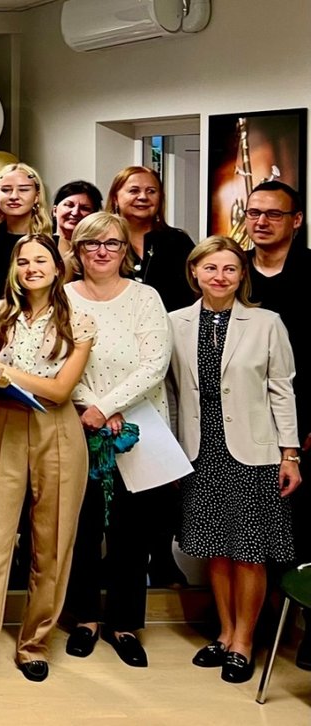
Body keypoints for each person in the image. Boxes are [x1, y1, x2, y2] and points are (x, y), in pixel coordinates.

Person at [0, 234, 96, 686]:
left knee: (52, 542)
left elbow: (61, 390)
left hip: (58, 428)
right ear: (14, 269)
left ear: (57, 267)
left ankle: (34, 644)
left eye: (41, 260)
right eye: (23, 261)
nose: (32, 268)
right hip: (4, 423)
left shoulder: (79, 320)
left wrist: (4, 370)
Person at [169, 236, 299, 685]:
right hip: (198, 452)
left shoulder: (266, 323)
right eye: (210, 268)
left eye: (229, 268)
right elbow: (170, 392)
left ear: (242, 274)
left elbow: (282, 389)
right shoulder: (174, 322)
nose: (220, 276)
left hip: (253, 454)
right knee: (216, 550)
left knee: (249, 552)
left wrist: (290, 453)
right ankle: (224, 634)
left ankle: (244, 640)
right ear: (194, 272)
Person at [56, 212, 174, 669]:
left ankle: (124, 624)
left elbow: (155, 364)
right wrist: (91, 408)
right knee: (82, 528)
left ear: (125, 250)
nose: (102, 251)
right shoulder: (63, 297)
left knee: (132, 533)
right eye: (91, 243)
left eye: (112, 243)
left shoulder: (146, 297)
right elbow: (58, 361)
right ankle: (84, 618)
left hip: (138, 427)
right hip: (77, 426)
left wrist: (107, 408)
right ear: (78, 250)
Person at [241, 180, 311, 669]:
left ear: (296, 220)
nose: (261, 222)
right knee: (257, 527)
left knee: (304, 528)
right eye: (253, 213)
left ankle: (307, 628)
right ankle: (258, 625)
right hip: (245, 421)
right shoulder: (235, 270)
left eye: (273, 214)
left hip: (305, 418)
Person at [107, 166, 196, 312]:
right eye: (134, 191)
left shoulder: (178, 241)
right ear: (115, 198)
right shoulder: (100, 241)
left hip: (172, 324)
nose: (143, 197)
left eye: (151, 191)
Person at [0, 162, 51, 305]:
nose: (14, 196)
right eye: (5, 190)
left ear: (37, 196)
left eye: (23, 190)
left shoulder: (55, 241)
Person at [51, 180, 103, 260]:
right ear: (54, 210)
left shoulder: (99, 249)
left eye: (84, 208)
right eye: (69, 205)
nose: (75, 213)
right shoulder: (41, 245)